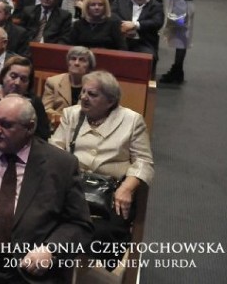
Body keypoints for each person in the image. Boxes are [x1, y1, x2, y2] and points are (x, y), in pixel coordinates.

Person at [0, 96, 93, 283]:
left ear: (30, 127)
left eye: (6, 124)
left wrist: (50, 250)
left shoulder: (61, 165)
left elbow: (79, 223)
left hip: (29, 270)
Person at [50, 70, 154, 264]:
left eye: (92, 94)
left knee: (101, 233)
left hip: (110, 194)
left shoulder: (132, 120)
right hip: (72, 187)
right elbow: (54, 149)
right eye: (83, 92)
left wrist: (127, 188)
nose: (83, 98)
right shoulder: (71, 114)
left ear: (110, 100)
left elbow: (144, 162)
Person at [43, 46, 97, 122]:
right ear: (68, 63)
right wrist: (66, 120)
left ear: (90, 66)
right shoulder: (53, 82)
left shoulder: (95, 86)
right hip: (57, 126)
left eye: (82, 60)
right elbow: (46, 109)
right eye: (73, 59)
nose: (76, 63)